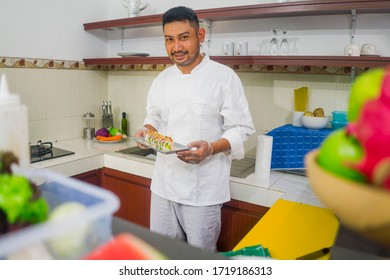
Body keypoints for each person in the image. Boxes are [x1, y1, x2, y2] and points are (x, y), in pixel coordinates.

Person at [135, 6, 255, 252]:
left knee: (198, 258)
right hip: (163, 185)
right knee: (162, 253)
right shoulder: (162, 79)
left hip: (202, 190)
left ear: (200, 36)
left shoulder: (224, 77)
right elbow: (153, 116)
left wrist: (211, 148)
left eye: (183, 37)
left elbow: (241, 127)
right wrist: (146, 131)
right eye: (169, 39)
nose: (176, 47)